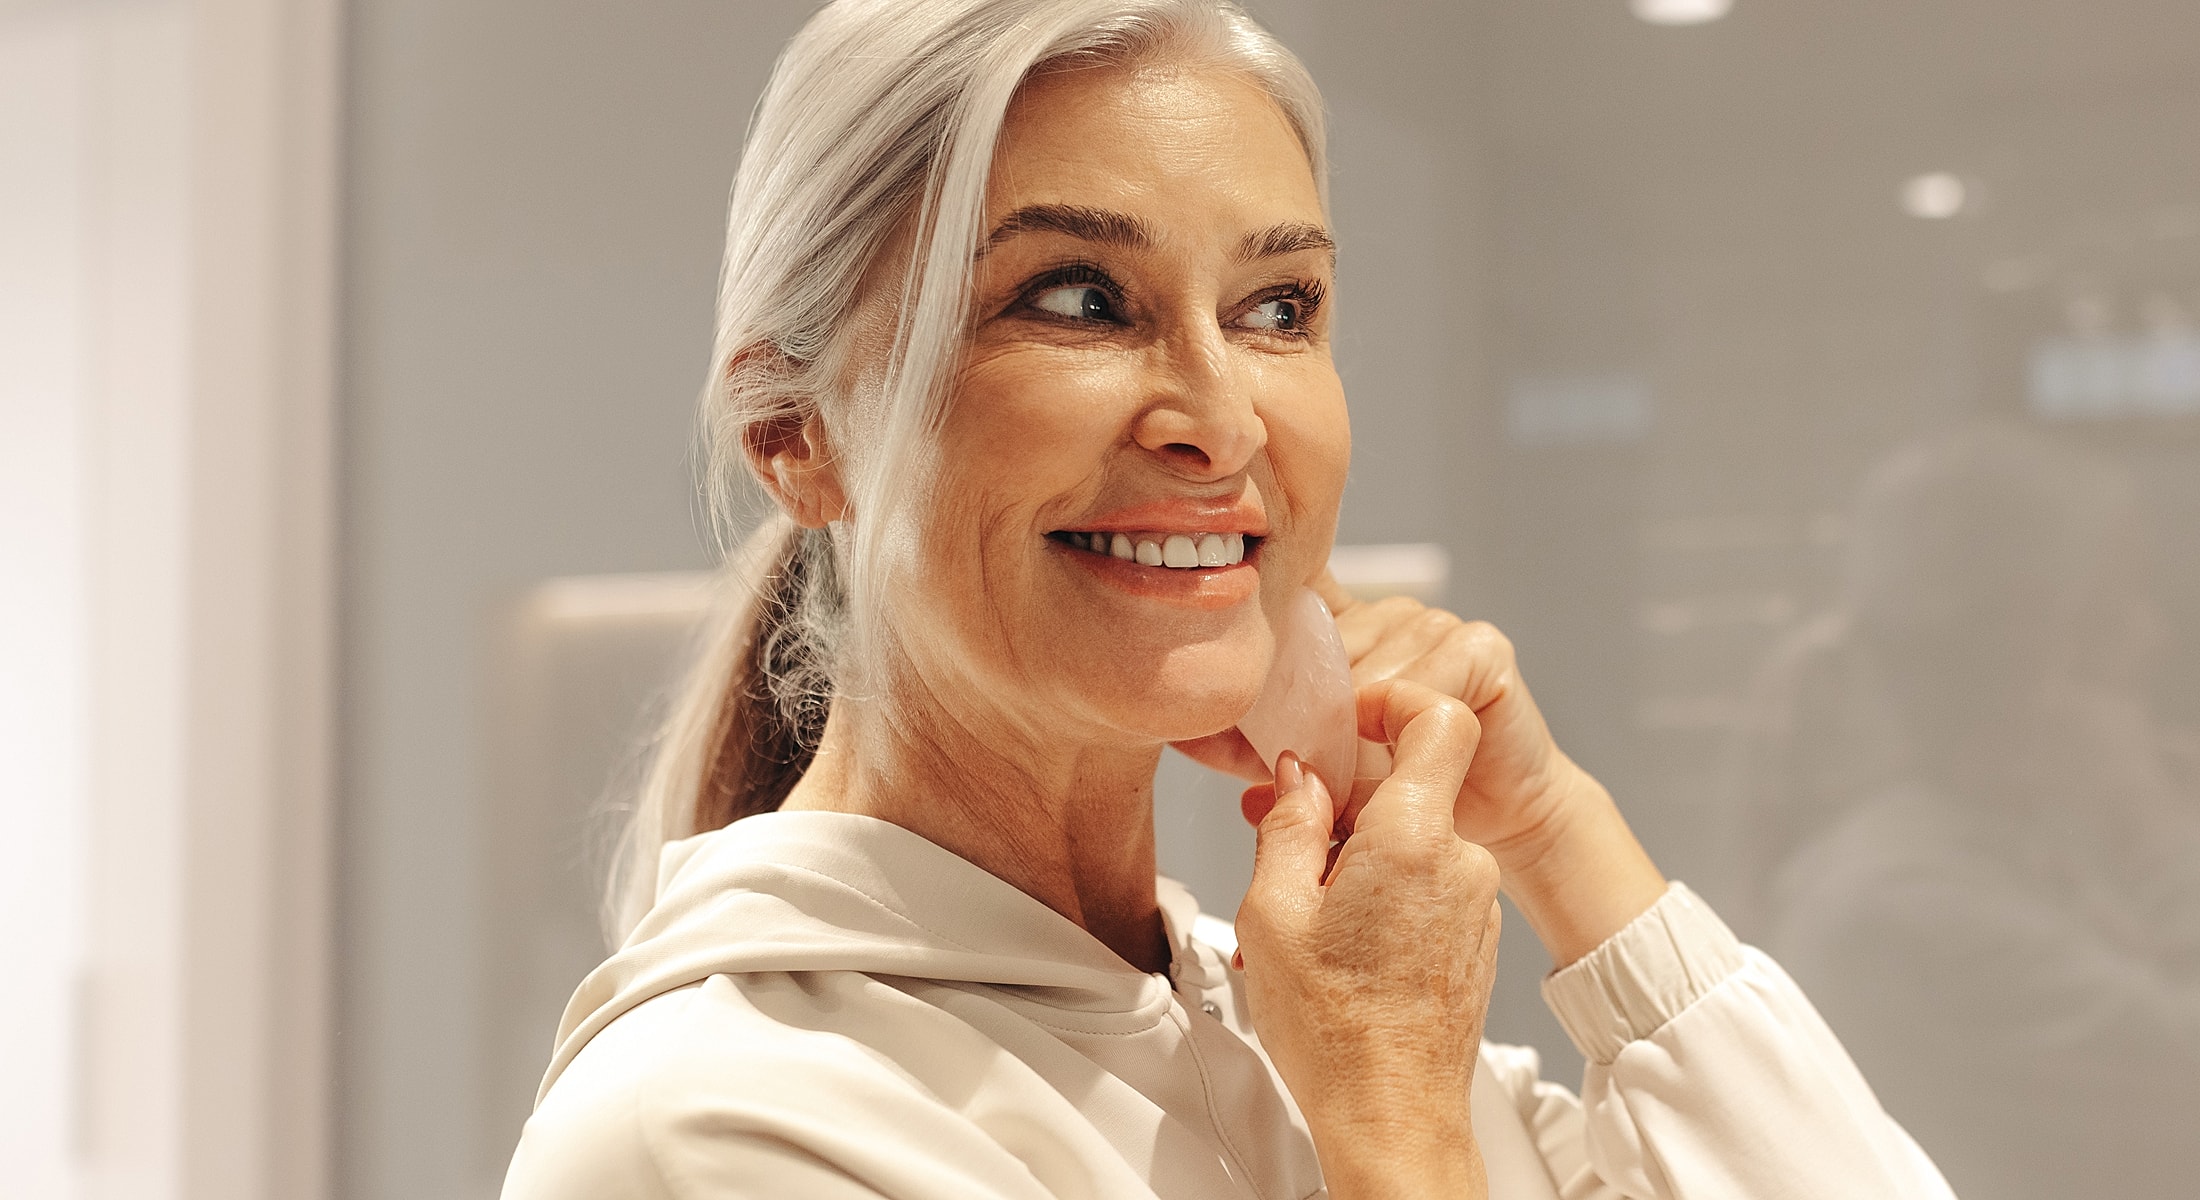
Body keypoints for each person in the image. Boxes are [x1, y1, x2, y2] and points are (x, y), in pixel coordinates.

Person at [501, 2, 1954, 1196]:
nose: (1223, 418)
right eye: (1078, 297)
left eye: (1278, 310)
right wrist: (1391, 1132)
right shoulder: (717, 1131)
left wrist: (1559, 837)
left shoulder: (1286, 1024)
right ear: (796, 436)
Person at [1728, 425, 2200, 1199]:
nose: (2153, 636)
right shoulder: (1908, 908)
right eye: (2110, 610)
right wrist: (2154, 828)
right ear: (2027, 656)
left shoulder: (2009, 847)